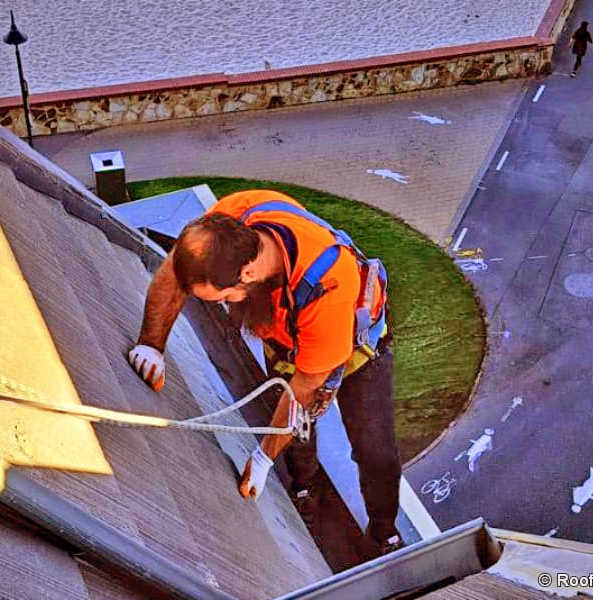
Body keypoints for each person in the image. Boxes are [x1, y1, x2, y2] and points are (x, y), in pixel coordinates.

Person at [127, 189, 403, 555]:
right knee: (300, 438)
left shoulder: (327, 287)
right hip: (289, 335)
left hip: (356, 351)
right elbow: (175, 276)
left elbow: (305, 387)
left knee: (374, 451)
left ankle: (384, 532)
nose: (225, 307)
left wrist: (262, 458)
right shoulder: (229, 222)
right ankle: (305, 487)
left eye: (225, 298)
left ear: (248, 274)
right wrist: (151, 344)